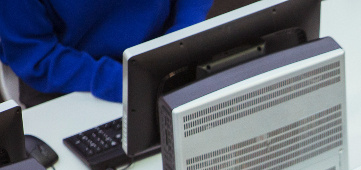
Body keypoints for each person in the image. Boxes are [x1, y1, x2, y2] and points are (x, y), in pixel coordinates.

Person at [0, 0, 212, 106]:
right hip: (68, 78)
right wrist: (130, 82)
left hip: (164, 51)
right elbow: (36, 55)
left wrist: (182, 39)